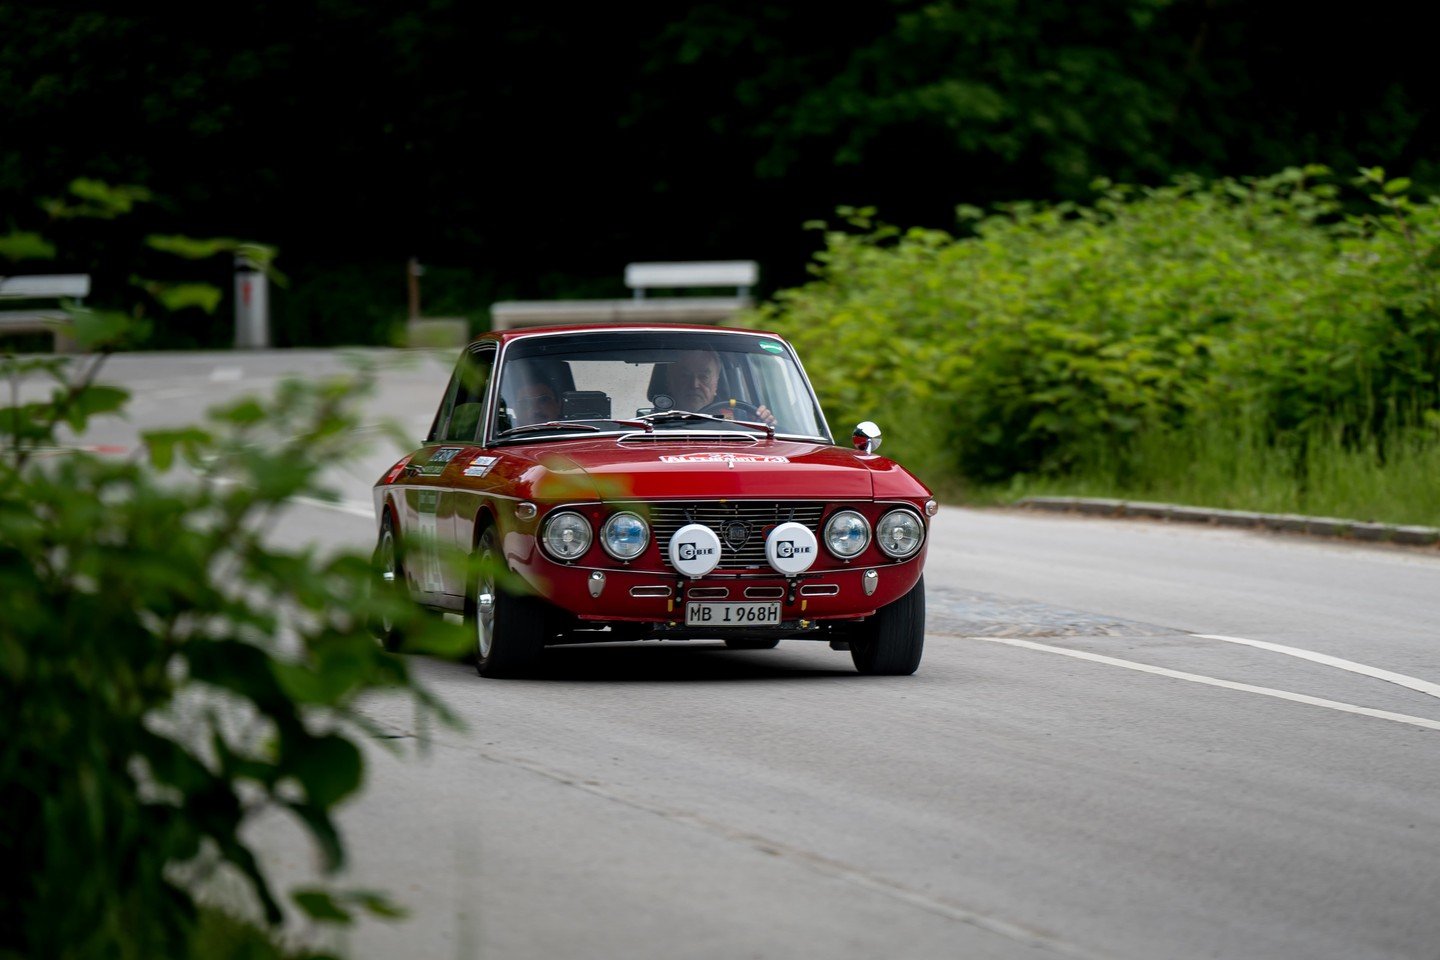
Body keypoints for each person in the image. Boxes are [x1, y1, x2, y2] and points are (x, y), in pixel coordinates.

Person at [663, 348, 775, 425]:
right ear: (670, 382)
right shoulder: (649, 426)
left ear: (716, 384)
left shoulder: (741, 421)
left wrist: (764, 423)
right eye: (685, 376)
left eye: (703, 377)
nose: (694, 385)